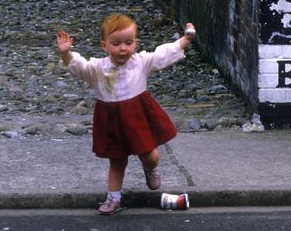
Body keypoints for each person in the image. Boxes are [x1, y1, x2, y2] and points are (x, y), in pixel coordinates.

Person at [56, 13, 197, 215]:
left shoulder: (140, 62)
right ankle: (113, 198)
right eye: (116, 44)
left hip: (137, 115)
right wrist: (66, 53)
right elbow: (80, 67)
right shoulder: (97, 69)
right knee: (117, 160)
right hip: (112, 119)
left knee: (150, 154)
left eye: (128, 43)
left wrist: (185, 40)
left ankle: (150, 169)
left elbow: (162, 55)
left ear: (135, 43)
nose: (123, 48)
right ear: (104, 45)